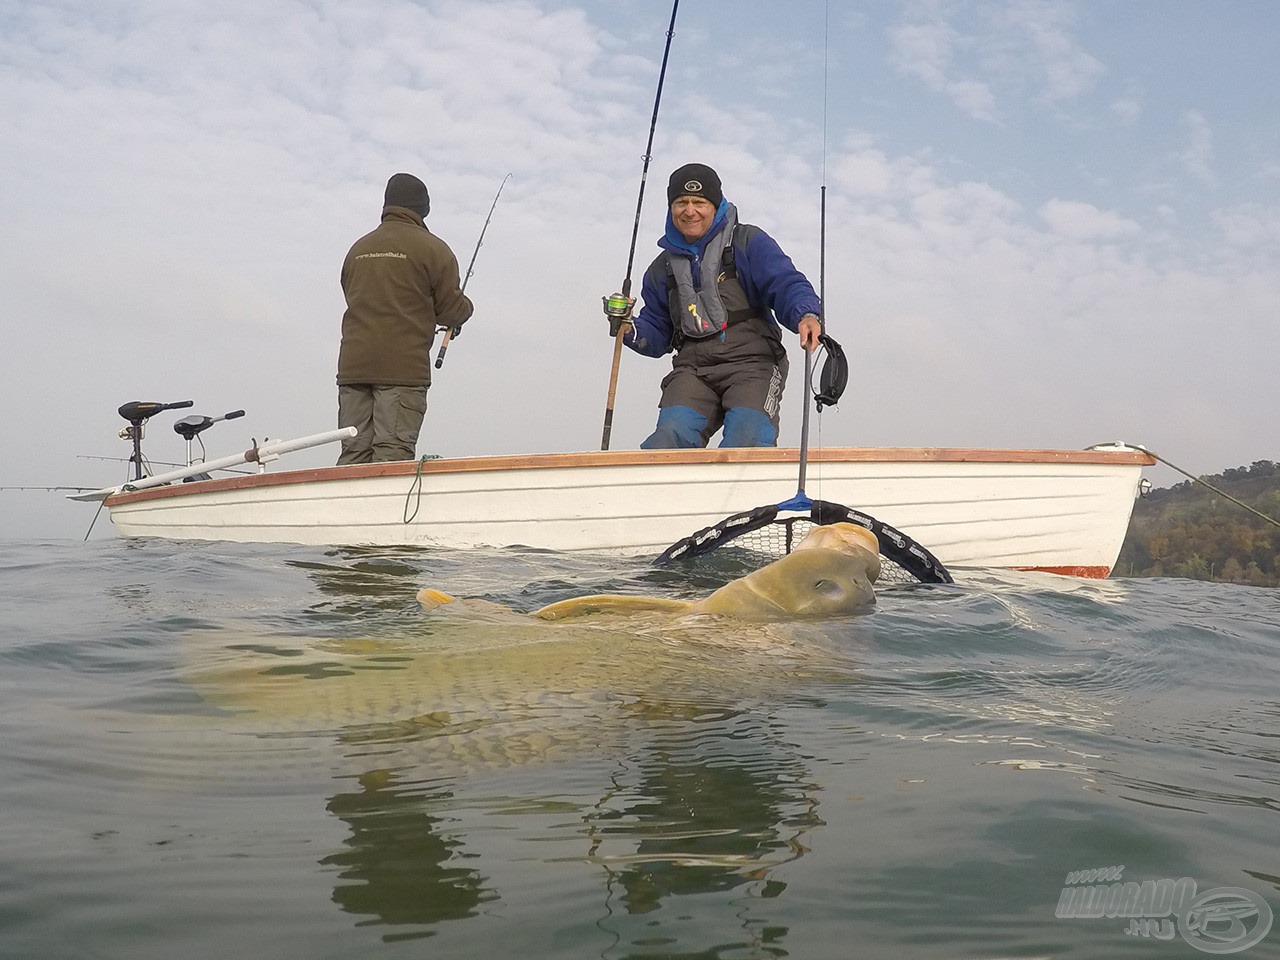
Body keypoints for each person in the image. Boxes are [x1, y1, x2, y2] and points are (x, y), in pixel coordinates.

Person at [619, 163, 822, 448]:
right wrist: (629, 329)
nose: (690, 211)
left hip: (753, 364)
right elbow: (656, 332)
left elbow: (788, 283)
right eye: (681, 202)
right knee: (667, 439)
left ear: (716, 205)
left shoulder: (748, 241)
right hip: (693, 369)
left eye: (699, 202)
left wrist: (807, 314)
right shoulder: (660, 270)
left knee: (747, 438)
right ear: (671, 208)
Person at [335, 173, 473, 464]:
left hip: (353, 369)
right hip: (402, 370)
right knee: (392, 456)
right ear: (423, 209)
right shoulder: (434, 249)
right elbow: (451, 309)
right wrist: (464, 310)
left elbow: (351, 294)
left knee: (353, 454)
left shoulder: (357, 250)